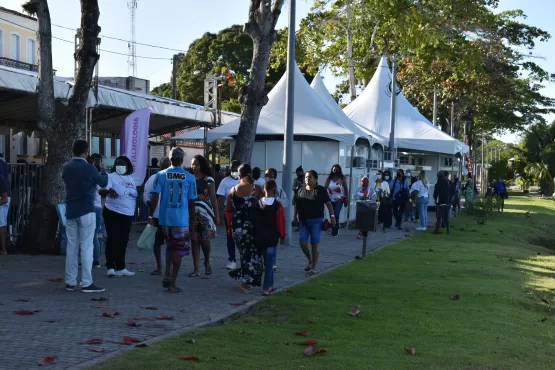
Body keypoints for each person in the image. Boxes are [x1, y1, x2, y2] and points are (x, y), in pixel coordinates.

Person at [62, 139, 108, 293]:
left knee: (71, 246)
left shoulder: (66, 167)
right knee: (86, 246)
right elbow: (102, 183)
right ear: (86, 151)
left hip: (70, 210)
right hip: (87, 209)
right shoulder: (89, 168)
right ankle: (86, 282)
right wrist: (102, 170)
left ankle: (70, 281)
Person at [149, 148, 197, 293]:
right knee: (178, 252)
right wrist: (193, 221)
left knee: (170, 247)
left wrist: (151, 216)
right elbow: (192, 202)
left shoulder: (160, 175)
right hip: (181, 220)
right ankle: (172, 282)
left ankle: (166, 274)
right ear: (182, 160)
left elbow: (154, 197)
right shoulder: (189, 177)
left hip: (164, 219)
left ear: (169, 159)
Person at [226, 164, 264, 293]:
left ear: (239, 175)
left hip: (238, 226)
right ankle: (249, 280)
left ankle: (245, 280)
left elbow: (228, 209)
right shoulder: (258, 189)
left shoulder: (234, 190)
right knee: (254, 253)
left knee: (244, 253)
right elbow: (264, 206)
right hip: (254, 226)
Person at [101, 156, 138, 277]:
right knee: (112, 238)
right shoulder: (111, 177)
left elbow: (134, 193)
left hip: (127, 213)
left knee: (123, 240)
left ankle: (121, 267)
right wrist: (109, 190)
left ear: (127, 166)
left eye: (122, 164)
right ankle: (110, 266)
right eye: (117, 164)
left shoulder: (130, 178)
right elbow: (102, 189)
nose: (119, 166)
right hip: (113, 211)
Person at [295, 170, 335, 275]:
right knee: (302, 242)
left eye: (310, 177)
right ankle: (310, 259)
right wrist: (295, 216)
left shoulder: (320, 190)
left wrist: (332, 217)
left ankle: (313, 267)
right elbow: (297, 204)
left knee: (314, 243)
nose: (307, 179)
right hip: (304, 220)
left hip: (316, 220)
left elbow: (329, 204)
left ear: (315, 179)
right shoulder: (301, 190)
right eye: (306, 177)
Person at [253, 180, 286, 296]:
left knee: (265, 262)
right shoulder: (278, 205)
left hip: (259, 237)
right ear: (274, 190)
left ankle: (271, 284)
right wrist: (282, 235)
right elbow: (280, 222)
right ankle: (266, 287)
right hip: (272, 237)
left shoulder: (257, 204)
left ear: (263, 190)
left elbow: (254, 221)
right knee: (269, 263)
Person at [189, 155, 220, 277]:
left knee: (205, 240)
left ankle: (207, 260)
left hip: (205, 213)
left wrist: (217, 215)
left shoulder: (208, 179)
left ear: (201, 165)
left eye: (196, 164)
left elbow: (213, 197)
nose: (194, 167)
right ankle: (196, 269)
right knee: (194, 240)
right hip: (191, 212)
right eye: (192, 164)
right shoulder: (189, 179)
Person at [143, 157, 171, 275]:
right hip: (157, 215)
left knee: (170, 243)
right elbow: (146, 194)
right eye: (163, 166)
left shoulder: (174, 178)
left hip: (171, 217)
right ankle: (159, 267)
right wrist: (148, 203)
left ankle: (169, 269)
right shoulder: (153, 178)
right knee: (157, 243)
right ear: (160, 166)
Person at [217, 160, 240, 269]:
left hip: (242, 212)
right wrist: (217, 213)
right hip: (229, 212)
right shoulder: (225, 181)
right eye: (233, 169)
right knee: (230, 235)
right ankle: (232, 259)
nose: (234, 171)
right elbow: (220, 198)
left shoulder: (244, 181)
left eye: (237, 169)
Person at [264, 168, 289, 270]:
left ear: (275, 177)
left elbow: (286, 202)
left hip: (274, 222)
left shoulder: (279, 189)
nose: (268, 177)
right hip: (263, 222)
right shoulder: (261, 187)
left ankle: (273, 263)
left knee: (273, 244)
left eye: (270, 175)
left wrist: (276, 200)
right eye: (266, 175)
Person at [89, 153, 105, 268]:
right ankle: (96, 260)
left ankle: (89, 258)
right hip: (98, 208)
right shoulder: (103, 177)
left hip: (89, 208)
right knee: (95, 235)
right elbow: (104, 195)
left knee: (87, 235)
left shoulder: (88, 175)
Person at [324, 164, 349, 237]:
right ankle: (335, 226)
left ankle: (335, 230)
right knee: (332, 215)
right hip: (330, 199)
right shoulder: (329, 178)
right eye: (333, 169)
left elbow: (346, 189)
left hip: (339, 199)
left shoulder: (342, 178)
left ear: (339, 170)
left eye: (336, 169)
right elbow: (325, 187)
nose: (335, 171)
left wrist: (347, 198)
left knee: (336, 214)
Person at [0, 153, 10, 255]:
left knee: (1, 223)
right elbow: (9, 179)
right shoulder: (4, 163)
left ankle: (4, 249)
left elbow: (4, 199)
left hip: (3, 196)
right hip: (5, 193)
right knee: (2, 222)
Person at [292, 166, 304, 231]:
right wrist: (295, 188)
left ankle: (302, 225)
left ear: (301, 172)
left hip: (304, 198)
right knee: (297, 212)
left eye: (298, 173)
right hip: (297, 197)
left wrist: (301, 186)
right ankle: (299, 226)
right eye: (297, 173)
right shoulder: (296, 179)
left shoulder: (305, 178)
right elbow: (293, 187)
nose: (297, 174)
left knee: (303, 212)